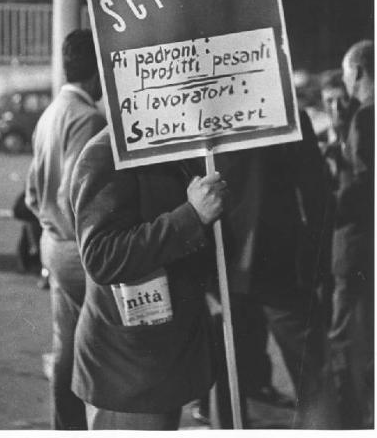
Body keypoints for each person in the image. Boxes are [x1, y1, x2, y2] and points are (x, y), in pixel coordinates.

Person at [69, 127, 226, 430]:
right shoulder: (105, 151)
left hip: (160, 360)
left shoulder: (168, 141)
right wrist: (192, 216)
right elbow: (100, 256)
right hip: (127, 373)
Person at [209, 110, 338, 429]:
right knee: (312, 377)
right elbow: (317, 194)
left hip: (225, 265)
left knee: (229, 376)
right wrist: (318, 266)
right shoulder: (286, 110)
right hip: (278, 265)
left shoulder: (205, 117)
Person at [25, 29, 106, 430]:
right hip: (79, 248)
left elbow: (30, 195)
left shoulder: (49, 115)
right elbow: (74, 194)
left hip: (52, 244)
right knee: (102, 353)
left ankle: (66, 427)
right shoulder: (88, 119)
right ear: (97, 72)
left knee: (66, 349)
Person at [329, 40, 374, 428]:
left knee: (347, 334)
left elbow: (361, 185)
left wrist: (327, 211)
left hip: (357, 243)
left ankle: (349, 420)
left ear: (357, 72)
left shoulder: (366, 118)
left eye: (346, 75)